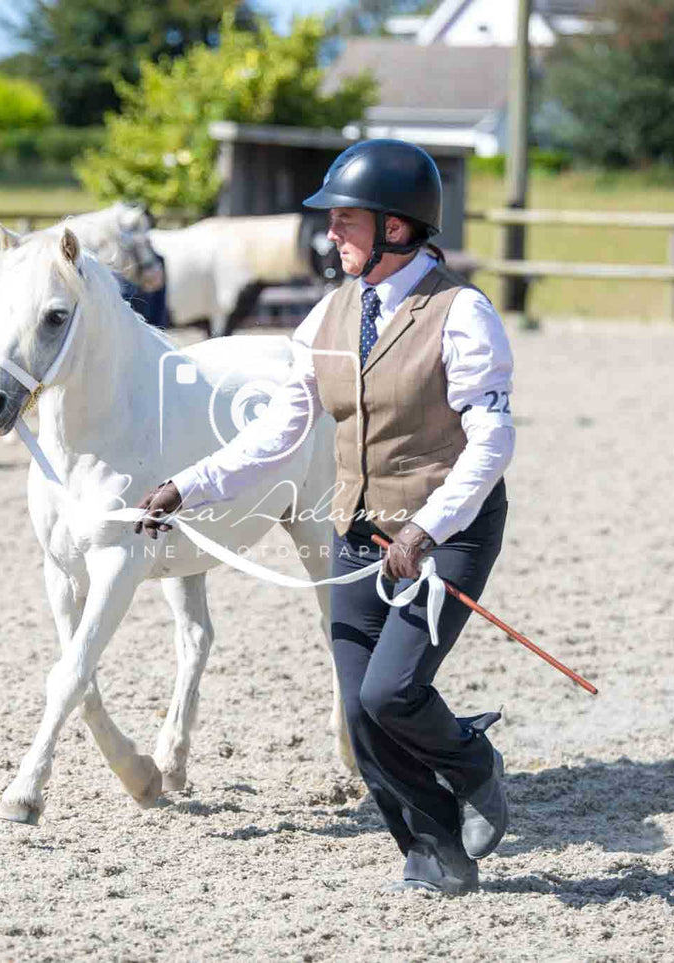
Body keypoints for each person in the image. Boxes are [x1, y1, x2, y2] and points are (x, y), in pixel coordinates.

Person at [134, 139, 516, 895]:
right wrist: (188, 484)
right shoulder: (328, 316)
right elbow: (279, 431)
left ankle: (472, 762)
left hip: (448, 532)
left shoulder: (461, 313)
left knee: (390, 693)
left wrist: (426, 527)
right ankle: (433, 847)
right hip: (358, 531)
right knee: (358, 706)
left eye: (345, 222)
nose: (329, 236)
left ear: (397, 229)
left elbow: (492, 438)